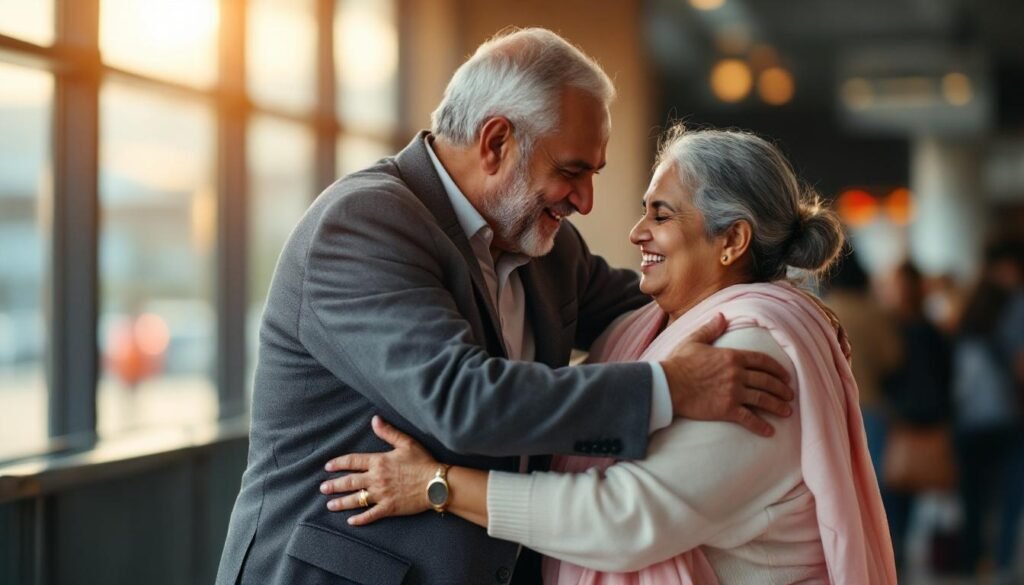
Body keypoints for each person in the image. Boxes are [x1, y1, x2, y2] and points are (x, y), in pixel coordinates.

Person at [215, 29, 795, 585]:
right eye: (571, 171)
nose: (586, 202)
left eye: (593, 175)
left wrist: (786, 308)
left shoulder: (547, 245)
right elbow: (462, 400)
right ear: (496, 143)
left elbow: (667, 300)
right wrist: (667, 388)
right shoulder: (365, 224)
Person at [322, 126, 897, 584]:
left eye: (661, 214)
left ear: (733, 241)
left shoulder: (756, 349)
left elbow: (625, 519)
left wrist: (435, 484)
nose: (636, 232)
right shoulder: (662, 322)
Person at [952, 239, 1024, 583]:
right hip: (1006, 416)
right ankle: (1002, 561)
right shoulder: (1015, 307)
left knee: (973, 497)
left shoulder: (965, 309)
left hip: (966, 418)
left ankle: (971, 560)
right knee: (1010, 494)